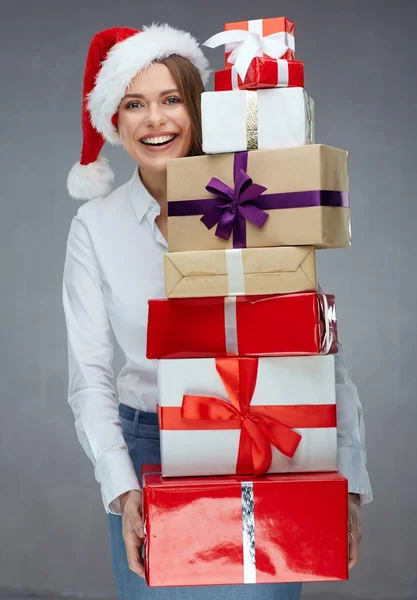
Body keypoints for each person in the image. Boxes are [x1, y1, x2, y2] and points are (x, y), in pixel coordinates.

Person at [62, 22, 372, 600]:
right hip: (148, 450)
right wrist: (123, 489)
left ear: (197, 109)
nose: (154, 119)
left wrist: (346, 480)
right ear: (114, 120)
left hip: (269, 442)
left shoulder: (253, 200)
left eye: (170, 99)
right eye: (134, 104)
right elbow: (90, 376)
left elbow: (318, 346)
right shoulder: (95, 228)